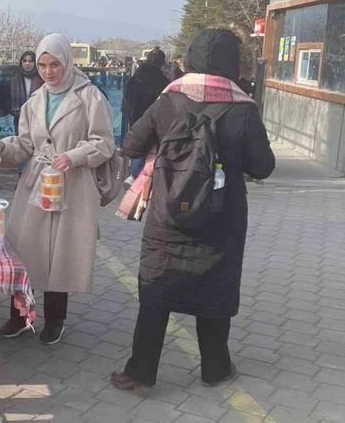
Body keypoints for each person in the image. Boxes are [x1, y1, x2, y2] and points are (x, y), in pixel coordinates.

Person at [110, 29, 275, 394]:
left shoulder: (169, 99)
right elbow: (263, 166)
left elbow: (132, 144)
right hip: (222, 216)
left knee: (157, 288)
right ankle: (215, 368)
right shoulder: (244, 107)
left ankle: (140, 372)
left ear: (192, 58)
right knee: (216, 290)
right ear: (232, 62)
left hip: (168, 211)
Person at [0, 34, 115, 345]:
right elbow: (25, 145)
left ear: (67, 62)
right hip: (37, 182)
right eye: (42, 65)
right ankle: (20, 316)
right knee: (24, 247)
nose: (48, 72)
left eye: (54, 64)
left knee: (61, 251)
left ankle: (55, 319)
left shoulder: (90, 97)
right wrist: (1, 147)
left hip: (73, 184)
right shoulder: (34, 101)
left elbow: (104, 143)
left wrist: (74, 156)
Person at [122, 47, 170, 185]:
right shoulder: (163, 82)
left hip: (134, 117)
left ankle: (133, 175)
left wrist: (129, 114)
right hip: (154, 121)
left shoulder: (134, 79)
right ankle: (137, 177)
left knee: (137, 146)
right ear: (162, 63)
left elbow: (126, 99)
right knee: (150, 149)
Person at [9, 51, 43, 136]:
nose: (27, 63)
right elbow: (6, 96)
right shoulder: (14, 78)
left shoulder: (41, 78)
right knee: (19, 141)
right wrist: (12, 110)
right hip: (19, 117)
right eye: (24, 61)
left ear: (35, 63)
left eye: (30, 61)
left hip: (37, 118)